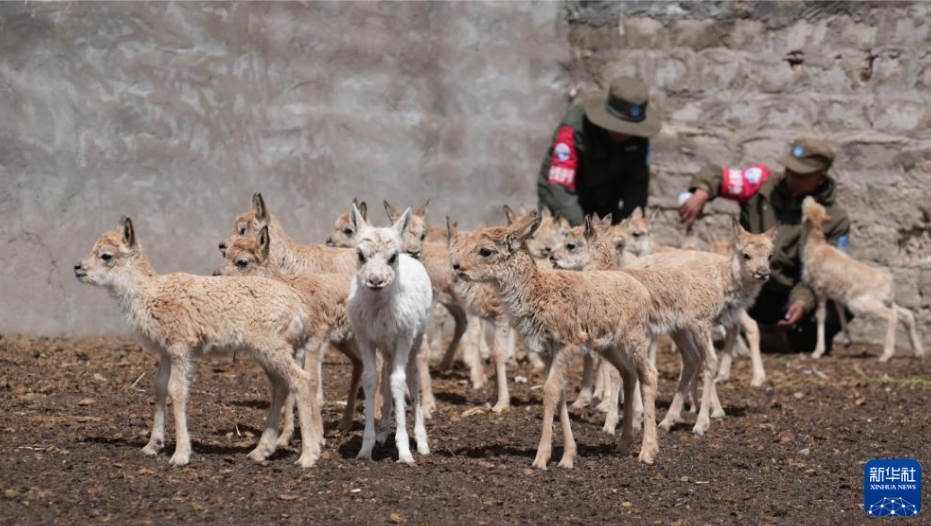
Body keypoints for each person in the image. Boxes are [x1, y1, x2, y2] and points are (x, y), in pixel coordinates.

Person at [679, 137, 852, 354]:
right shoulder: (761, 185)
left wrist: (801, 302)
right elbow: (717, 175)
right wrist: (701, 193)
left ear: (820, 177)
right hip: (748, 284)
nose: (791, 177)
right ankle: (756, 334)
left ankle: (774, 337)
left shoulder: (833, 219)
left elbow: (825, 271)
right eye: (789, 169)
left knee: (839, 308)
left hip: (786, 292)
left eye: (800, 175)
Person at [537, 77, 661, 226]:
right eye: (619, 128)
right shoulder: (574, 126)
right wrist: (581, 229)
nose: (625, 134)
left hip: (605, 198)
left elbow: (637, 186)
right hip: (563, 198)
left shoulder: (639, 138)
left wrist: (629, 227)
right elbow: (560, 186)